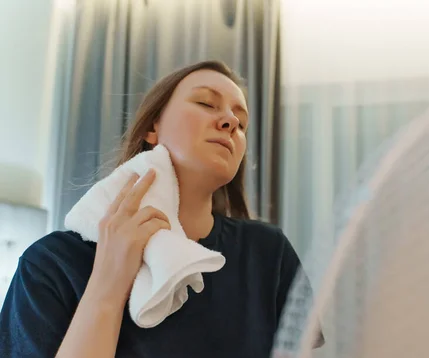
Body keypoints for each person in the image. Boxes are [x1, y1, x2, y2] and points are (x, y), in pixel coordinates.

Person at [0, 60, 308, 357]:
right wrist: (108, 285)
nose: (230, 123)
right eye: (205, 103)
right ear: (152, 127)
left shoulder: (268, 254)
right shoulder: (52, 263)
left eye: (241, 123)